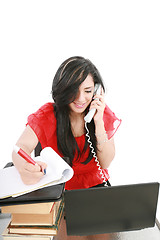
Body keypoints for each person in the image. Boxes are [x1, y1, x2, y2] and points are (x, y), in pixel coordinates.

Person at [12, 56, 121, 190]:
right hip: (58, 189)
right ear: (63, 89)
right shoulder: (47, 115)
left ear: (96, 90)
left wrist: (98, 122)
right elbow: (21, 148)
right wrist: (25, 168)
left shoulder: (100, 112)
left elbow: (105, 163)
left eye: (87, 91)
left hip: (96, 188)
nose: (81, 98)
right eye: (73, 90)